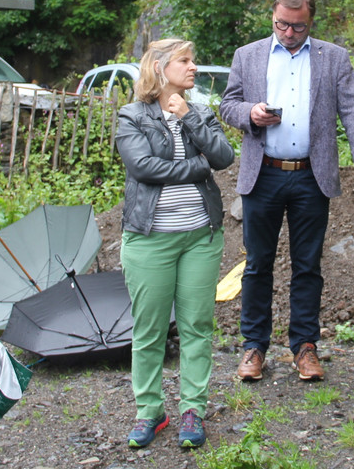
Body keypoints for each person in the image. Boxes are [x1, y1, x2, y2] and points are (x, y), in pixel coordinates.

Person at [220, 0, 354, 382]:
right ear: (272, 16)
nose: (289, 33)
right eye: (281, 25)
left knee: (308, 266)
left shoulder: (334, 58)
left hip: (312, 177)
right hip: (263, 175)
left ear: (311, 20)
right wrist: (250, 113)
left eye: (298, 27)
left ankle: (305, 347)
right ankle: (254, 347)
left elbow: (353, 110)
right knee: (258, 265)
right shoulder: (248, 55)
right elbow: (227, 104)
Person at [114, 39, 235, 450]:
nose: (194, 66)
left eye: (193, 59)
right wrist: (196, 165)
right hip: (150, 239)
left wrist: (188, 118)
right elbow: (143, 168)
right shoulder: (131, 115)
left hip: (201, 235)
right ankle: (150, 411)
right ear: (160, 67)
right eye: (185, 60)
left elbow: (223, 157)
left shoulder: (199, 112)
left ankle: (192, 409)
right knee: (148, 330)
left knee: (197, 326)